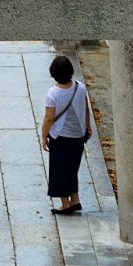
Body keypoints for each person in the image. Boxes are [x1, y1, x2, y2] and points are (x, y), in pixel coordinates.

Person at [41, 54, 91, 214]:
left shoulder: (53, 93)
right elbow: (85, 108)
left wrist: (44, 136)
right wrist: (87, 127)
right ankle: (75, 199)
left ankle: (66, 204)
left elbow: (49, 117)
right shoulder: (80, 87)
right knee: (72, 168)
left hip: (60, 137)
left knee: (59, 169)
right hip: (79, 135)